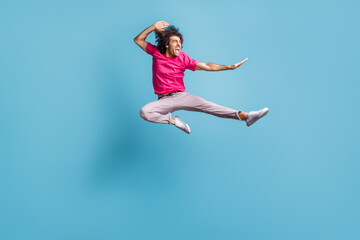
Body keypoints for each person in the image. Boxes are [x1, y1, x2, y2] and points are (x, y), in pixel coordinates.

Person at [133, 20, 268, 134]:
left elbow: (207, 66)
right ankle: (173, 120)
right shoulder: (157, 53)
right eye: (175, 41)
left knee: (208, 106)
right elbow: (138, 40)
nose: (179, 44)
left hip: (181, 96)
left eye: (180, 42)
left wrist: (229, 67)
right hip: (163, 100)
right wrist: (153, 27)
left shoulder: (183, 58)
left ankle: (245, 116)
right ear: (167, 44)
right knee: (145, 112)